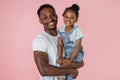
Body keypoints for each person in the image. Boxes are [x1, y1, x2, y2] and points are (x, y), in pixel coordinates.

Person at [32, 4, 84, 80]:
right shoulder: (40, 40)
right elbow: (43, 69)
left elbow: (81, 62)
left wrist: (71, 63)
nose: (50, 19)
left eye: (52, 15)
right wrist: (70, 70)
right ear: (40, 20)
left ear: (57, 16)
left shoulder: (66, 36)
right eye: (45, 17)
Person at [57, 4, 84, 80]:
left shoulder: (77, 30)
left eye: (72, 17)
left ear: (76, 19)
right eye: (66, 17)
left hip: (75, 53)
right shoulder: (61, 30)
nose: (68, 19)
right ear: (63, 17)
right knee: (61, 63)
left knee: (65, 66)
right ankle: (64, 76)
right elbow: (60, 44)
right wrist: (60, 57)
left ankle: (72, 70)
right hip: (66, 53)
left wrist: (70, 59)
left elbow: (78, 46)